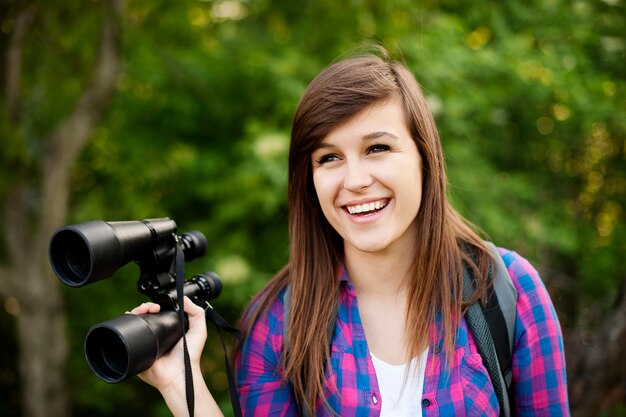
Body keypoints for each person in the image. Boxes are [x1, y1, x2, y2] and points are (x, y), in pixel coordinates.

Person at [132, 49, 570, 416]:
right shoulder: (276, 323)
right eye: (328, 158)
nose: (355, 179)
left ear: (424, 157)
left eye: (377, 148)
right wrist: (179, 385)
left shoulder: (510, 290)